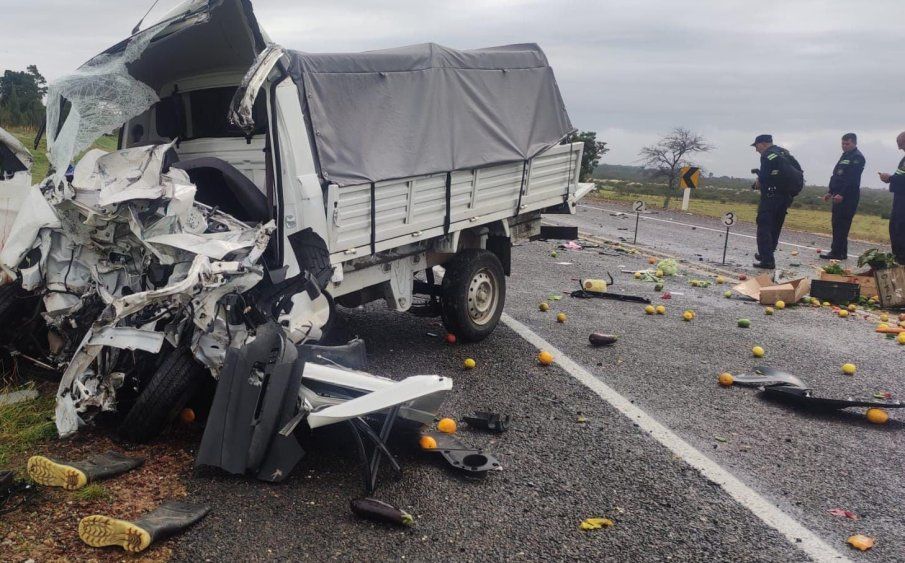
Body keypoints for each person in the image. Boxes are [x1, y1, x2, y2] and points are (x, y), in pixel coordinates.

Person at [751, 134, 798, 269]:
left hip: (771, 196)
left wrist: (757, 182)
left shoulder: (767, 155)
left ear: (764, 144)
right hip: (786, 196)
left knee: (764, 226)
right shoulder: (784, 152)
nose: (756, 150)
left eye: (757, 146)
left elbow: (764, 178)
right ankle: (767, 254)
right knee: (775, 226)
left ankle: (767, 260)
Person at [821, 133, 865, 260]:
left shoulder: (857, 157)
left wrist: (842, 194)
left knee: (842, 224)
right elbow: (836, 175)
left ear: (854, 143)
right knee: (836, 223)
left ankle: (836, 252)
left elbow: (852, 179)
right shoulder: (845, 155)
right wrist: (830, 191)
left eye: (847, 144)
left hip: (848, 196)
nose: (844, 146)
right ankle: (841, 252)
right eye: (843, 143)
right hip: (837, 194)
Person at [878, 131, 905, 265]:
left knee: (901, 229)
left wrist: (890, 178)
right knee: (894, 227)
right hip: (899, 198)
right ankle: (898, 258)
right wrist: (890, 179)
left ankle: (902, 259)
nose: (899, 147)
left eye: (900, 144)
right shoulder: (904, 159)